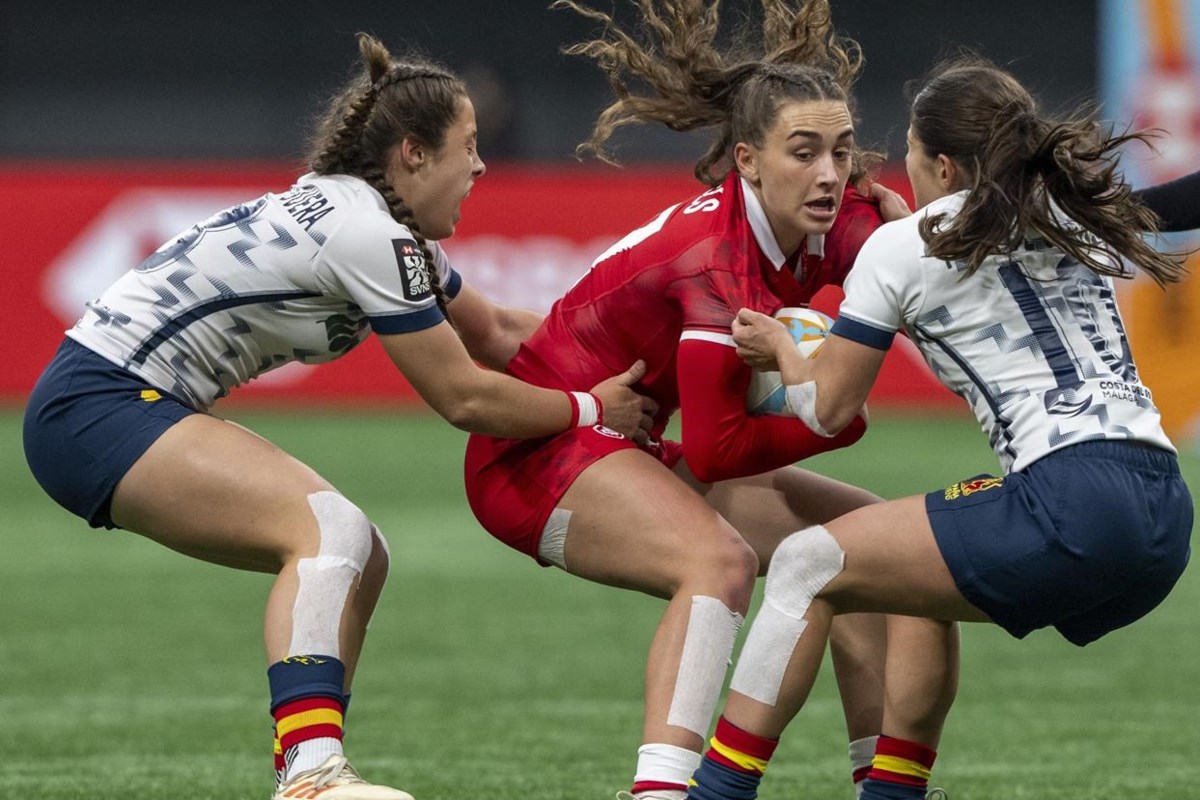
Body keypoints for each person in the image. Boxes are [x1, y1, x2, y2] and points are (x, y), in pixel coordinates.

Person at [22, 33, 655, 800]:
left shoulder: (381, 225)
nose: (482, 166)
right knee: (329, 533)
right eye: (470, 146)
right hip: (99, 404)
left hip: (110, 398)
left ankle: (306, 764)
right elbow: (465, 397)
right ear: (415, 155)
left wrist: (641, 345)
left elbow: (495, 334)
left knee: (363, 555)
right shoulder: (370, 234)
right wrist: (594, 408)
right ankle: (313, 775)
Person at [683, 54, 1193, 800]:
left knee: (804, 562)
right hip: (1163, 510)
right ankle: (892, 793)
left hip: (1070, 499)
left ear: (944, 165)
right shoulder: (1068, 208)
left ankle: (714, 794)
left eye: (916, 158)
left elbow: (829, 410)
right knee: (915, 580)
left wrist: (787, 353)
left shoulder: (901, 249)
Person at [463, 2, 911, 798]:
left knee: (866, 547)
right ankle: (663, 793)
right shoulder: (711, 266)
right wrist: (830, 421)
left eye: (841, 152)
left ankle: (883, 788)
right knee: (717, 561)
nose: (830, 175)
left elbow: (921, 267)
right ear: (748, 160)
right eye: (803, 153)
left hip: (625, 441)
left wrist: (906, 230)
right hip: (534, 451)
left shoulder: (831, 219)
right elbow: (717, 453)